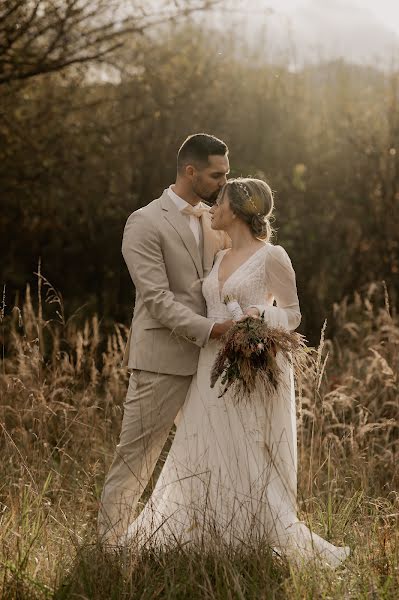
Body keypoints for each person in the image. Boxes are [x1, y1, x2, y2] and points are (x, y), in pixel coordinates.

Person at [122, 177, 351, 568]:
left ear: (239, 209)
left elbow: (294, 315)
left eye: (220, 201)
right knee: (201, 448)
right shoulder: (218, 256)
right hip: (207, 367)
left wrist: (260, 316)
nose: (213, 206)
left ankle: (250, 538)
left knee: (244, 451)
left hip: (247, 367)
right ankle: (204, 534)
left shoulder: (272, 256)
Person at [98, 133, 232, 544]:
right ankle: (107, 549)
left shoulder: (215, 220)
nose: (224, 182)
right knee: (136, 459)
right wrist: (211, 329)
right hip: (161, 360)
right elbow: (156, 300)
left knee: (211, 457)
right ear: (190, 171)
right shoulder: (145, 221)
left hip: (212, 363)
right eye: (216, 174)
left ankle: (201, 543)